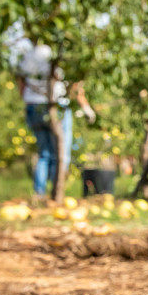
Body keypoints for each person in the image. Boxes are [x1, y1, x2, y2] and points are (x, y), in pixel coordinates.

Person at [17, 43, 95, 200]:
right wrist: (86, 108)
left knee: (44, 153)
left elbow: (21, 82)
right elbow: (75, 85)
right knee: (61, 153)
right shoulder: (60, 54)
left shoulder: (28, 55)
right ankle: (56, 195)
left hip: (33, 106)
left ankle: (39, 194)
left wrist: (28, 100)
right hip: (56, 105)